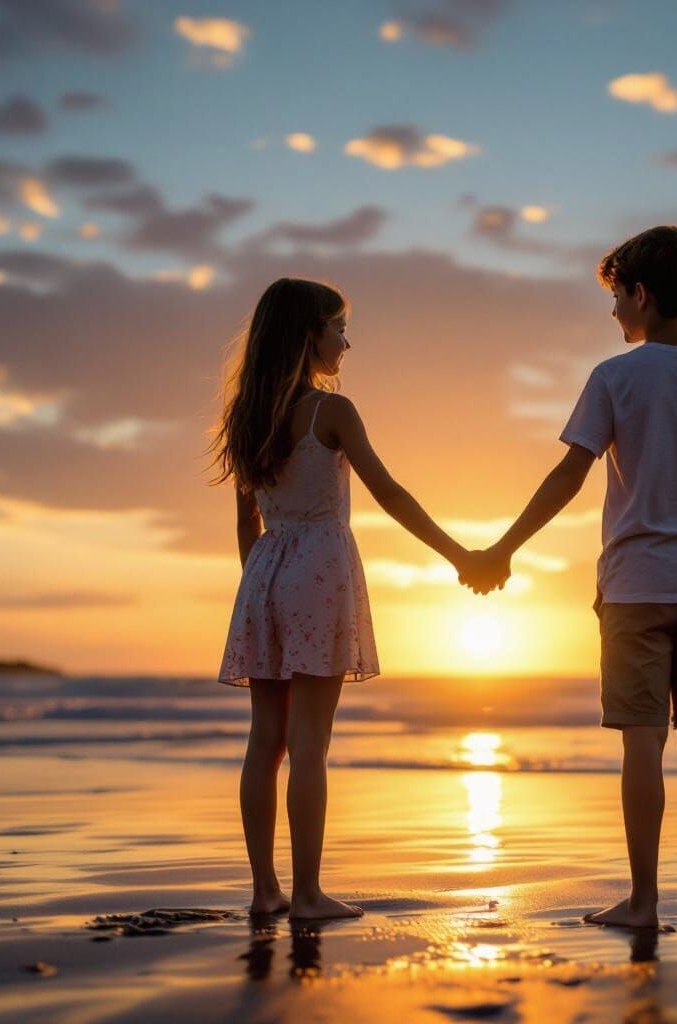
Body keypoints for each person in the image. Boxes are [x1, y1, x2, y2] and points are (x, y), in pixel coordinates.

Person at [461, 226, 677, 928]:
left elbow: (569, 475)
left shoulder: (615, 376)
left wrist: (502, 548)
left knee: (643, 741)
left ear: (642, 293)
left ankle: (642, 900)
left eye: (615, 296)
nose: (612, 313)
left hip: (637, 584)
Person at [209, 278, 485, 921]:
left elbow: (246, 524)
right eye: (339, 328)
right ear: (311, 333)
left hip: (265, 572)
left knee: (264, 742)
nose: (346, 341)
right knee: (309, 743)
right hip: (319, 573)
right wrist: (460, 554)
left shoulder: (248, 415)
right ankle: (307, 894)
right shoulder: (330, 411)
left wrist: (260, 587)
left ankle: (264, 891)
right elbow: (389, 492)